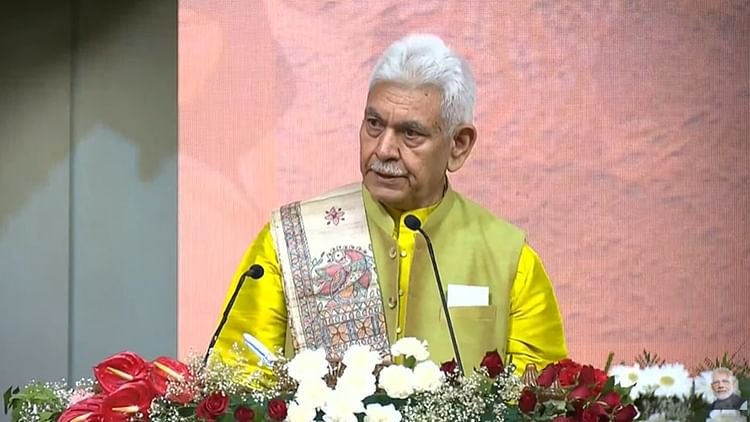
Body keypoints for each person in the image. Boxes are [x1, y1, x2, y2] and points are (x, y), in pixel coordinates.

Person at [211, 33, 567, 380]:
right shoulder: (290, 238)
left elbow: (539, 398)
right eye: (374, 124)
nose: (383, 149)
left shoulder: (509, 259)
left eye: (411, 133)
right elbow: (237, 381)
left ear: (459, 144)